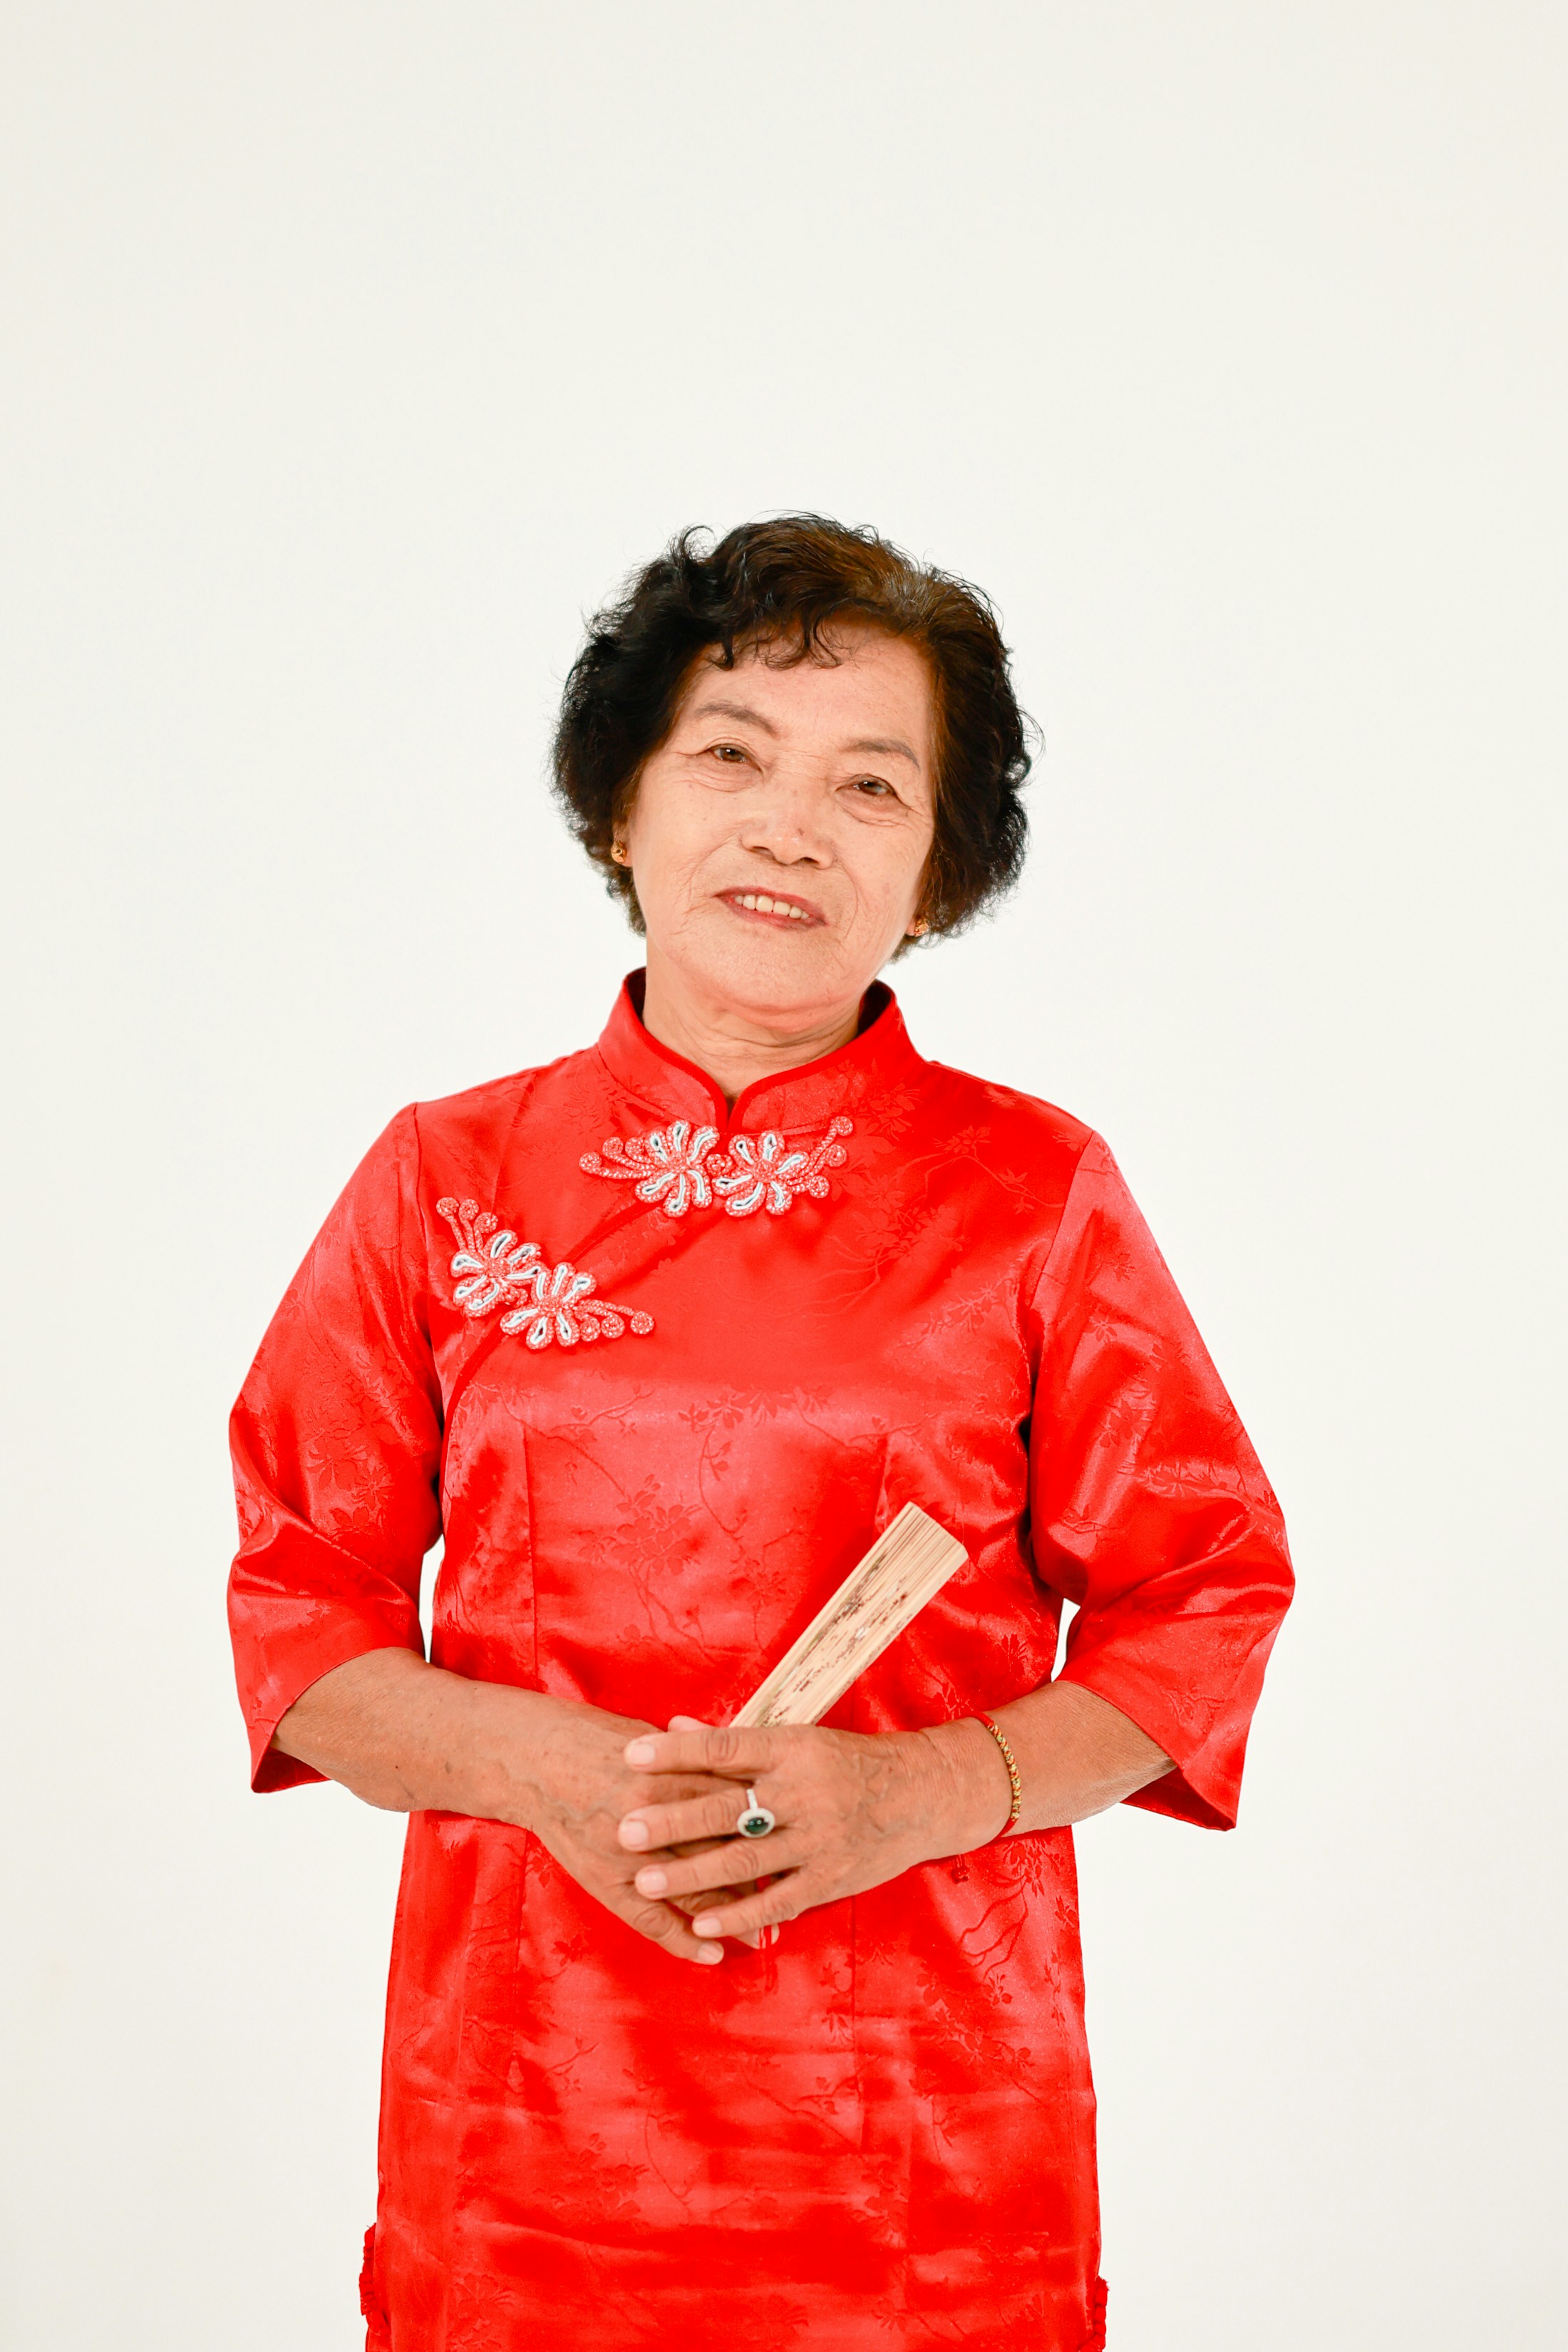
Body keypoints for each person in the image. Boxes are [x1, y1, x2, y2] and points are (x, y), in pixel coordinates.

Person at [228, 516, 1293, 2352]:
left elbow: (1203, 1600)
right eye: (729, 752)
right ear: (620, 810)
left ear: (936, 879)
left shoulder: (1032, 1195)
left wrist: (913, 1793)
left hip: (920, 2131)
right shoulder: (444, 1177)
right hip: (525, 2110)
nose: (789, 824)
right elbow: (299, 1621)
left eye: (870, 785)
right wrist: (559, 1770)